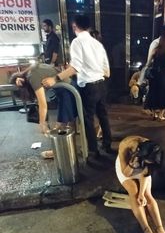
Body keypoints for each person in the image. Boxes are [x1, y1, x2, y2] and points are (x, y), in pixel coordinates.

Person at [42, 15, 114, 159]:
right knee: (103, 116)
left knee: (87, 119)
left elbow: (75, 67)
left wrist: (55, 78)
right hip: (101, 85)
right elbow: (107, 70)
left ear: (75, 26)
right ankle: (107, 144)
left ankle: (93, 151)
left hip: (88, 87)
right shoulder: (97, 44)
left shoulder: (77, 42)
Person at [116, 136, 165, 233]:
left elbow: (146, 173)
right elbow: (126, 173)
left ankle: (161, 230)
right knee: (133, 191)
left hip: (141, 168)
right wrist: (133, 164)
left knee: (147, 195)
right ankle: (147, 232)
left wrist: (142, 193)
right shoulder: (125, 145)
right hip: (127, 166)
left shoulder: (151, 150)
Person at [144, 29, 165, 121]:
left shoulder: (155, 50)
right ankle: (160, 115)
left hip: (154, 75)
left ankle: (154, 114)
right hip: (163, 76)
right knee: (164, 96)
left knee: (153, 94)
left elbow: (148, 63)